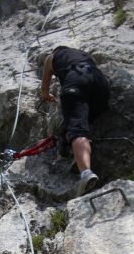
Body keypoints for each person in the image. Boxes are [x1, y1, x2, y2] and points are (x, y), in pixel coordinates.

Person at [40, 46, 110, 196]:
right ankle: (80, 154)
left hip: (75, 80)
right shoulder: (84, 55)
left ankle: (86, 173)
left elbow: (44, 88)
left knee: (76, 130)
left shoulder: (52, 57)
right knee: (83, 123)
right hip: (100, 83)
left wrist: (46, 95)